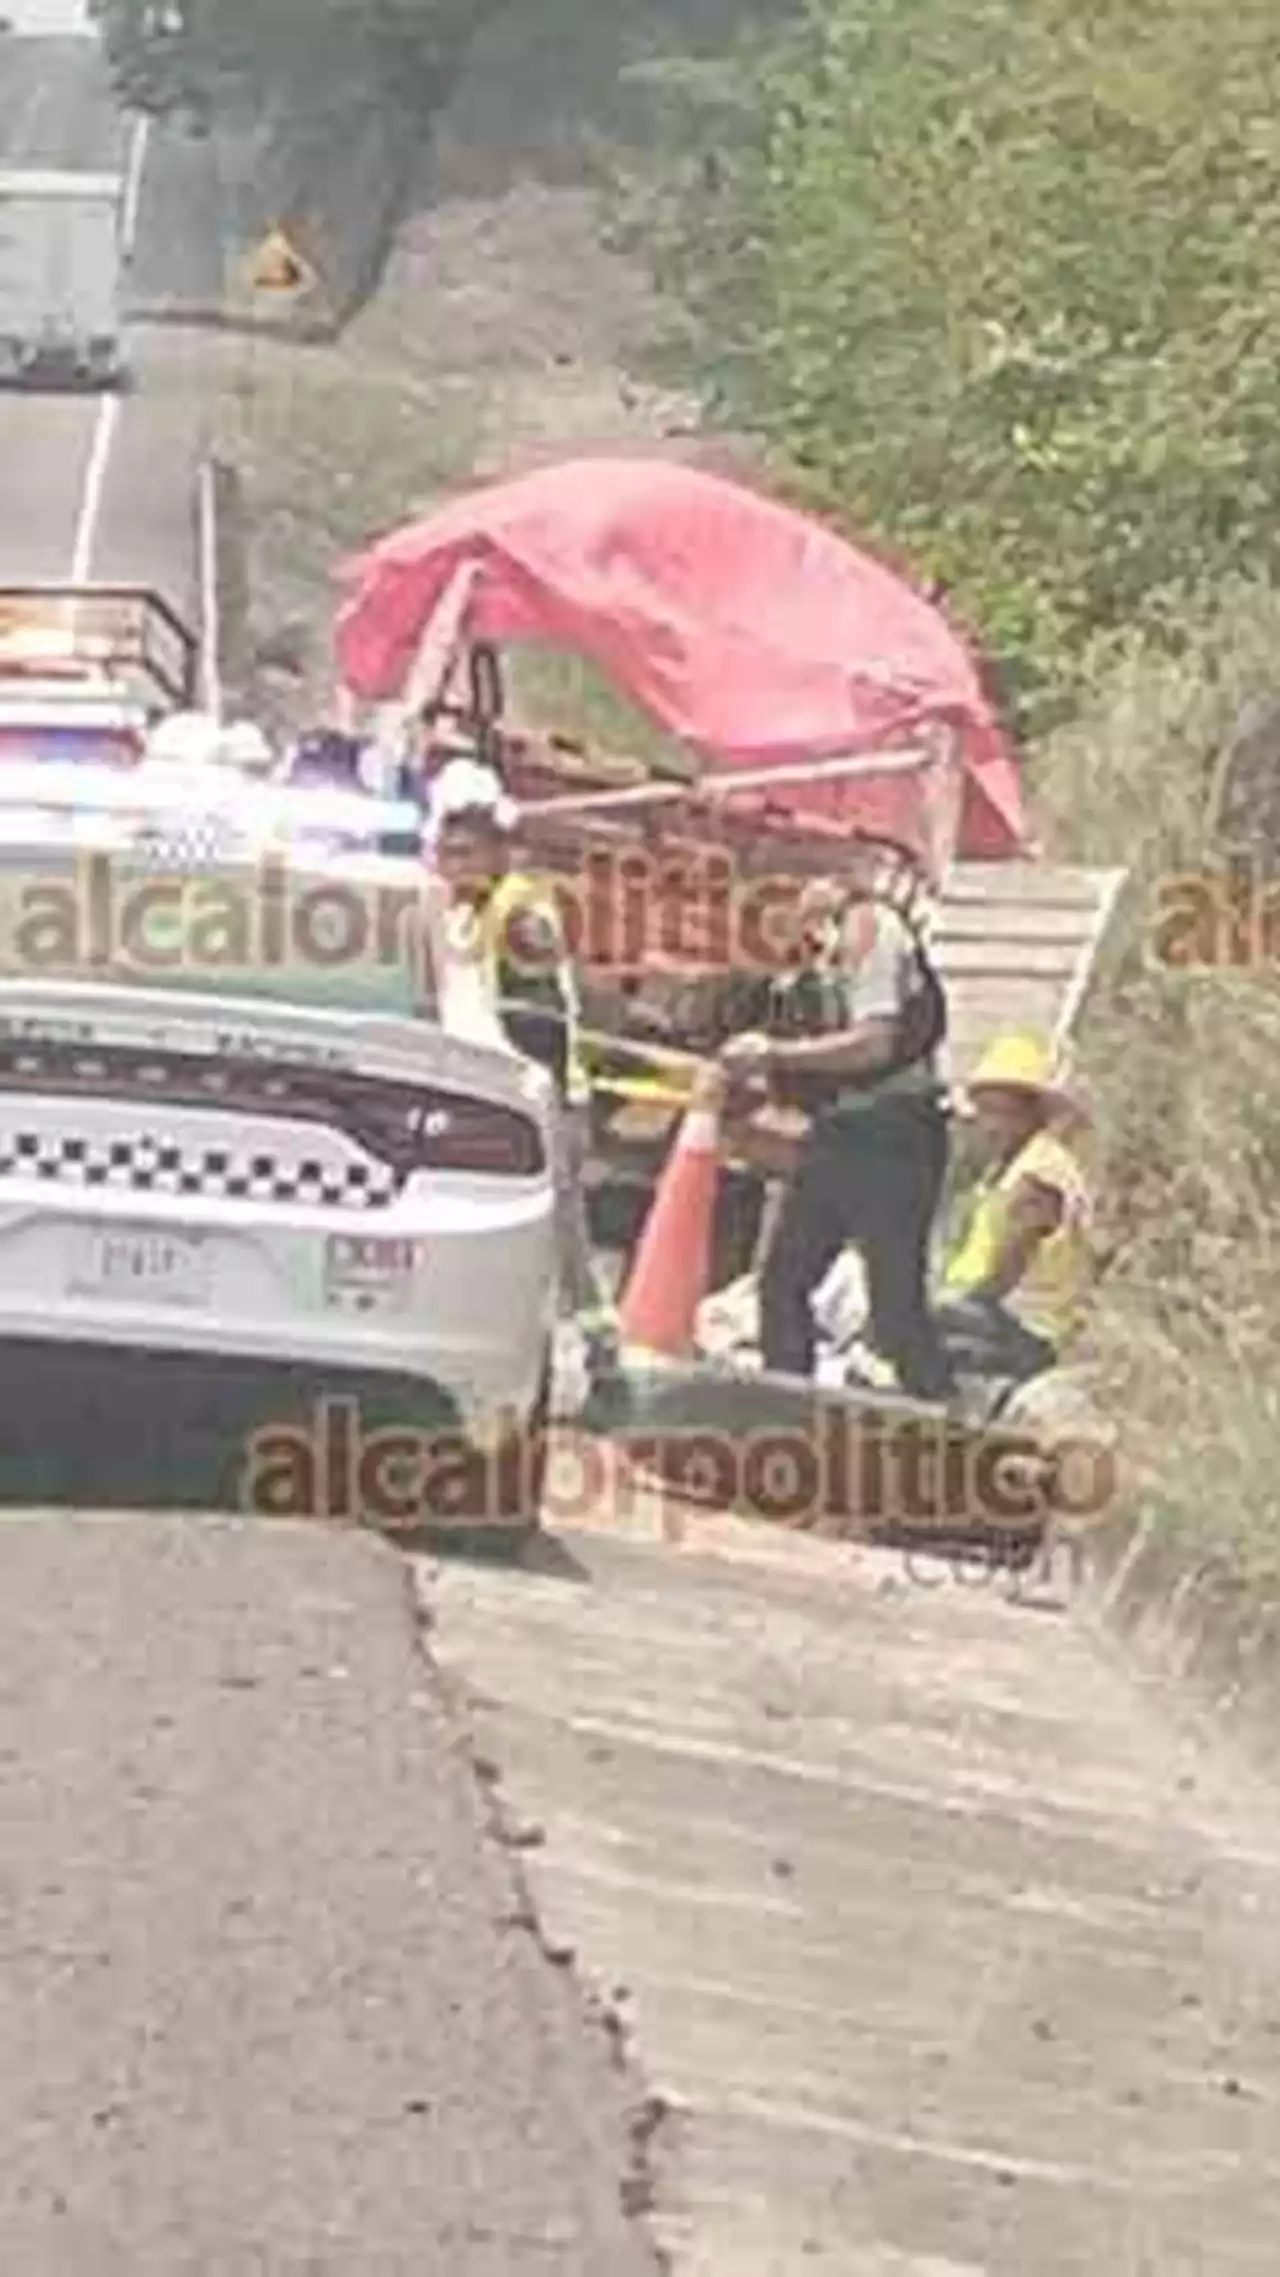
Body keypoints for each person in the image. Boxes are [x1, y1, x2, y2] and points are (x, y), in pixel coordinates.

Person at [718, 856, 955, 1400]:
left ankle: (948, 1413)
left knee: (895, 1309)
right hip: (842, 1133)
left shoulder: (871, 931)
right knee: (784, 1281)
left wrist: (775, 1054)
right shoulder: (827, 959)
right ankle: (786, 1409)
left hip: (893, 1136)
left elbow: (875, 1042)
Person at [426, 756, 619, 1383]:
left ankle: (598, 1354)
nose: (451, 863)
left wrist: (558, 1105)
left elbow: (543, 1022)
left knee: (557, 1234)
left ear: (497, 848)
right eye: (446, 850)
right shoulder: (478, 909)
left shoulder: (517, 913)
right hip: (503, 1094)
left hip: (532, 1097)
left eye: (465, 850)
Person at [934, 1030, 1095, 1385]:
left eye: (1006, 1114)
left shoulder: (1039, 1175)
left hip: (1027, 1330)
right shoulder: (1008, 1167)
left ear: (1033, 1115)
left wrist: (952, 1309)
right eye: (985, 1112)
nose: (992, 1126)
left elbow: (1006, 1271)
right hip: (1003, 1319)